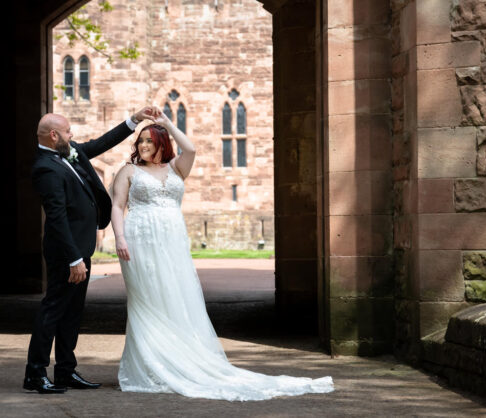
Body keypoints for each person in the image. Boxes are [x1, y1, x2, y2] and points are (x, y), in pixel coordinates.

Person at [110, 110, 334, 400]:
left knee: (176, 297)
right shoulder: (128, 171)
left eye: (149, 141)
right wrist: (120, 238)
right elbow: (118, 206)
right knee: (148, 300)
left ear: (162, 143)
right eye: (140, 141)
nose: (143, 146)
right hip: (140, 239)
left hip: (172, 240)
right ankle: (150, 365)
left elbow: (191, 148)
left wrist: (167, 123)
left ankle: (180, 359)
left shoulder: (177, 167)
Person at [24, 107, 156, 394]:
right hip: (66, 252)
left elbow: (101, 143)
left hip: (80, 248)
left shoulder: (70, 152)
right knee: (53, 310)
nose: (73, 136)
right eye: (69, 131)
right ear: (54, 135)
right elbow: (56, 217)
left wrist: (134, 120)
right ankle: (35, 373)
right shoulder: (46, 167)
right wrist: (73, 259)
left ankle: (65, 371)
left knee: (72, 312)